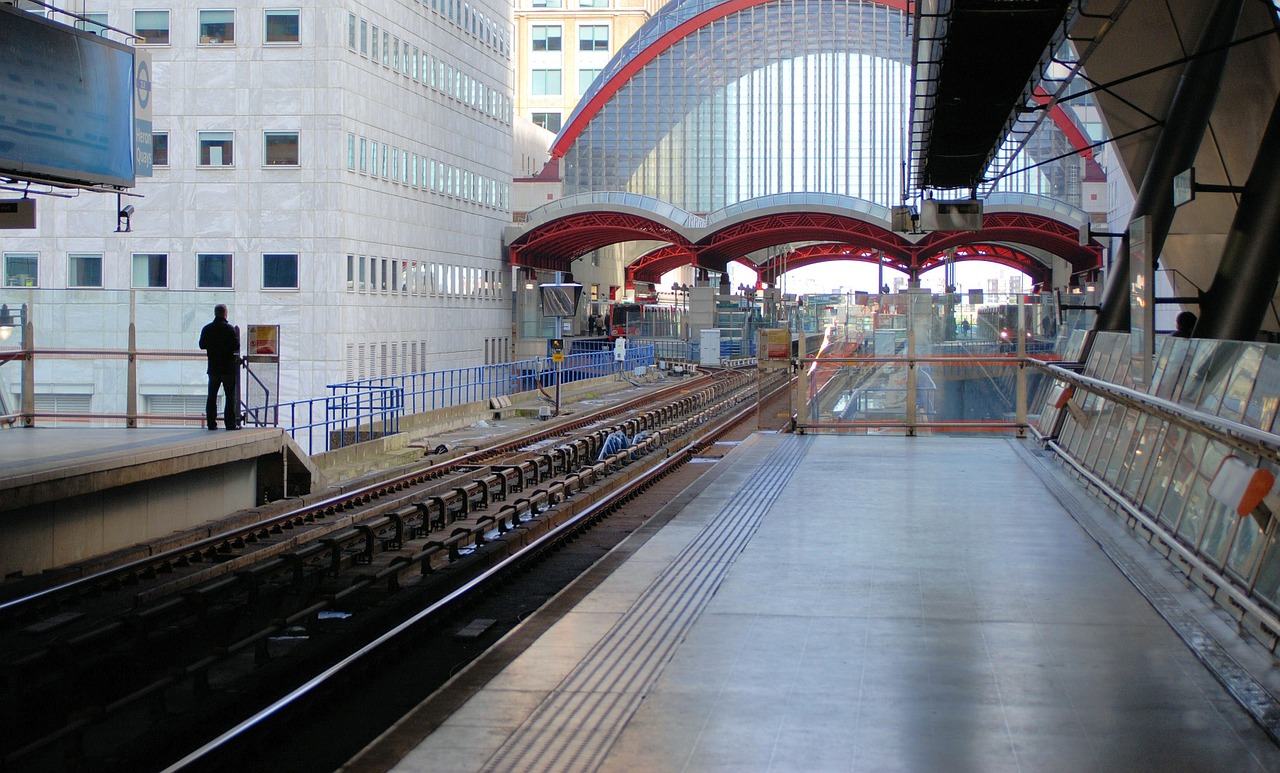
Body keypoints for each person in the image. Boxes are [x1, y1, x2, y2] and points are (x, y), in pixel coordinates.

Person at [199, 304, 241, 430]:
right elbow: (236, 346)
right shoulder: (229, 329)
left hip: (213, 368)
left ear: (215, 313)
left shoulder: (207, 329)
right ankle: (230, 423)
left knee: (212, 396)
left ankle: (211, 423)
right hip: (228, 368)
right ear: (225, 313)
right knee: (230, 396)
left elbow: (202, 345)